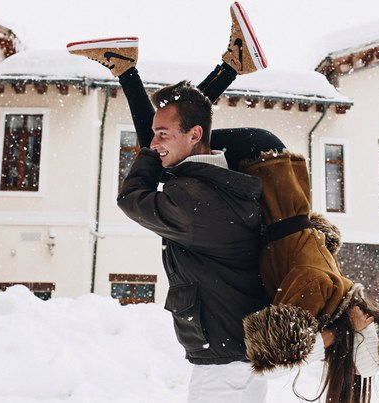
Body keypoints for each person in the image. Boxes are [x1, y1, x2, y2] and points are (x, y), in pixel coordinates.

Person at [67, 2, 379, 402]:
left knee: (172, 143)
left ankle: (189, 65)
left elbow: (139, 189)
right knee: (172, 142)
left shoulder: (321, 295)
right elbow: (157, 167)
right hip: (261, 157)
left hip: (262, 165)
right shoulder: (317, 288)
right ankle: (217, 64)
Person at [68, 3, 277, 402]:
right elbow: (176, 144)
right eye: (154, 134)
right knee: (172, 148)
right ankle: (225, 63)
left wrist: (154, 149)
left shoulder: (197, 201)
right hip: (230, 354)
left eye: (161, 134)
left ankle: (149, 67)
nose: (153, 143)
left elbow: (131, 198)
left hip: (225, 360)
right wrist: (163, 143)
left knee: (168, 154)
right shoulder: (207, 186)